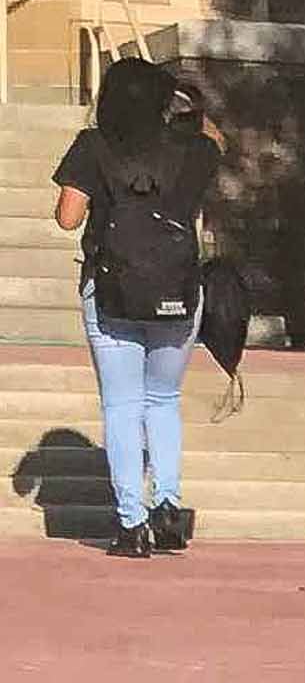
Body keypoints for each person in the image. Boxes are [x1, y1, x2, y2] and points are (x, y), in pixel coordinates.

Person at [47, 56, 220, 561]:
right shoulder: (194, 151)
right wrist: (188, 105)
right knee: (163, 400)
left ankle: (132, 522)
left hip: (112, 288)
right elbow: (219, 143)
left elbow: (67, 217)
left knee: (122, 405)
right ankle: (168, 504)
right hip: (179, 288)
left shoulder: (92, 147)